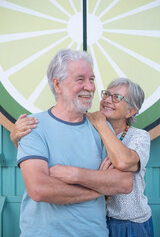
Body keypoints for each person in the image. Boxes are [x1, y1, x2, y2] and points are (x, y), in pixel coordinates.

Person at [11, 77, 153, 237]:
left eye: (117, 97)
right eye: (106, 94)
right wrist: (18, 141)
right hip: (97, 220)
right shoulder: (87, 128)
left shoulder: (139, 137)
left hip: (130, 224)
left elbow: (123, 162)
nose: (107, 100)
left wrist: (100, 124)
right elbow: (55, 156)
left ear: (131, 111)